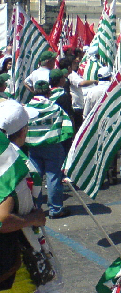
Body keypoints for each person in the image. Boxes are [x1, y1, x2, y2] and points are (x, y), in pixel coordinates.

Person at [0, 100, 53, 293]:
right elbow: (3, 219)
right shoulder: (14, 165)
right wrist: (35, 218)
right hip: (12, 263)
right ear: (23, 131)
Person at [26, 80, 74, 219]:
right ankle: (55, 209)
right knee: (53, 177)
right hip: (52, 145)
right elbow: (67, 126)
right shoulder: (55, 108)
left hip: (33, 147)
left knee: (35, 177)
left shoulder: (26, 109)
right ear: (48, 92)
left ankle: (35, 208)